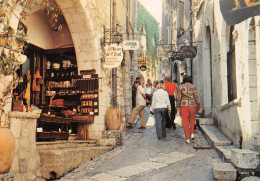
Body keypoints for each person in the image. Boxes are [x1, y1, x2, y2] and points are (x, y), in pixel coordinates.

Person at [177, 76, 203, 144]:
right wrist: (199, 106)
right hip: (192, 104)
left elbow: (179, 98)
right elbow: (196, 97)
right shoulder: (193, 87)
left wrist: (178, 107)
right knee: (192, 119)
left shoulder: (180, 87)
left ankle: (187, 138)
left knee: (185, 121)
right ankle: (192, 134)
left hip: (183, 105)